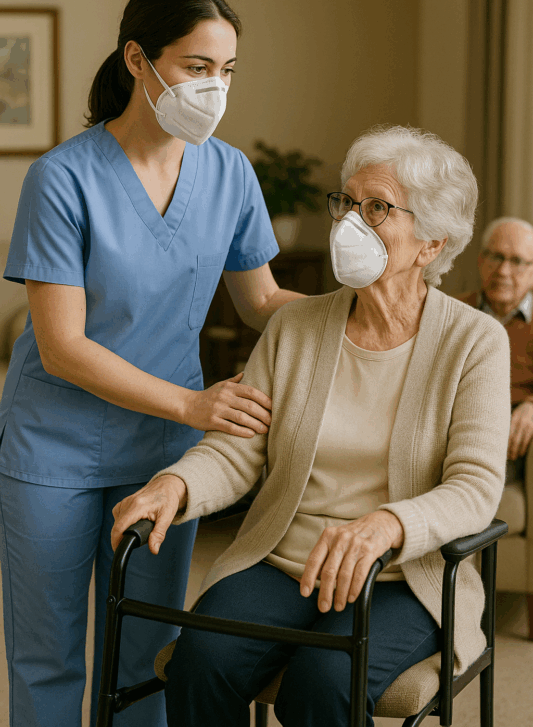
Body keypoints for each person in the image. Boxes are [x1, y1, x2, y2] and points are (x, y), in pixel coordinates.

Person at [112, 125, 511, 727]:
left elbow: (475, 487)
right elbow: (235, 451)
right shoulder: (294, 328)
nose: (350, 220)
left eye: (376, 208)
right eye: (346, 202)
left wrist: (387, 525)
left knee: (323, 683)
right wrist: (177, 483)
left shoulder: (475, 341)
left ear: (430, 244)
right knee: (200, 663)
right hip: (283, 561)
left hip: (402, 576)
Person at [0, 0, 306, 727]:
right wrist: (194, 405)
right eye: (197, 67)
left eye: (226, 70)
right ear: (138, 60)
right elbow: (62, 347)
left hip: (163, 453)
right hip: (54, 445)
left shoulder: (229, 172)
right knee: (47, 655)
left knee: (146, 656)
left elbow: (261, 301)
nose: (214, 88)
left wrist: (372, 310)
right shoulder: (62, 179)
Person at [457, 217, 533, 482]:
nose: (503, 270)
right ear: (481, 260)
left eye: (517, 261)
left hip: (512, 434)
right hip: (458, 424)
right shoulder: (454, 312)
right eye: (496, 257)